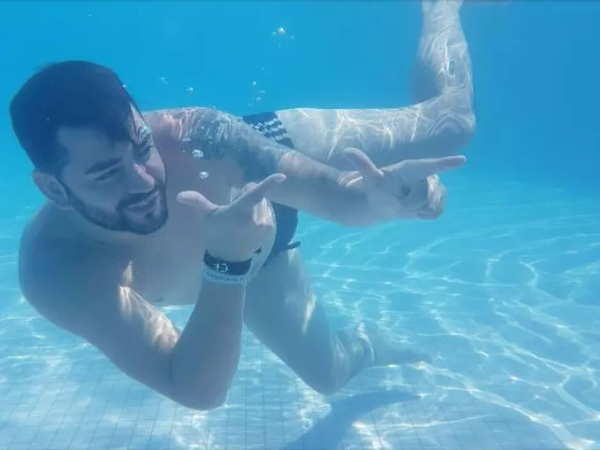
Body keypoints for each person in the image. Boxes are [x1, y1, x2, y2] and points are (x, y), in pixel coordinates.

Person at [10, 0, 474, 410]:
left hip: (252, 167)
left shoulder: (200, 136)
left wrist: (386, 199)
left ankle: (442, 7)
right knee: (330, 375)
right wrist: (226, 266)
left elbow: (338, 197)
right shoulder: (58, 270)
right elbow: (197, 390)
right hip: (248, 258)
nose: (145, 180)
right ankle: (371, 345)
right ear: (53, 189)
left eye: (142, 146)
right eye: (106, 173)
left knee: (454, 123)